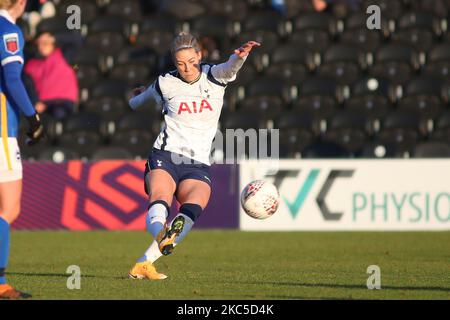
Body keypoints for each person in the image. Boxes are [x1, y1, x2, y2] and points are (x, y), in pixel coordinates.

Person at [128, 32, 260, 280]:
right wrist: (137, 96)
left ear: (200, 55)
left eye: (191, 60)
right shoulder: (165, 83)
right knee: (161, 198)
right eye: (180, 64)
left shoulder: (214, 76)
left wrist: (239, 57)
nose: (187, 68)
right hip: (165, 155)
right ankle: (160, 235)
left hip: (197, 163)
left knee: (194, 206)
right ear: (173, 63)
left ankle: (144, 264)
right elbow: (137, 102)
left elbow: (231, 67)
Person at [0, 0, 44, 299]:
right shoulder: (8, 30)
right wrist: (33, 117)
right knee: (9, 208)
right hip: (2, 127)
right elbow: (12, 79)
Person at [24, 31, 78, 120]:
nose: (42, 46)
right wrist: (35, 101)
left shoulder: (63, 55)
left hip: (63, 102)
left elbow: (77, 40)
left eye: (45, 43)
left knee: (59, 114)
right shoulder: (31, 64)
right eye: (40, 43)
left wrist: (53, 38)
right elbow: (28, 84)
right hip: (42, 105)